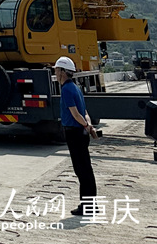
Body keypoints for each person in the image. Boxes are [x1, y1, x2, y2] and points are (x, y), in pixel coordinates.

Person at [54, 56, 98, 216]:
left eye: (56, 70)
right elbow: (84, 112)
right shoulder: (76, 87)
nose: (55, 73)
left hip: (74, 132)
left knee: (81, 169)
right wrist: (88, 125)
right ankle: (91, 203)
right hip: (81, 132)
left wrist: (86, 124)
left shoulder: (66, 89)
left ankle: (88, 206)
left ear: (62, 72)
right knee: (86, 168)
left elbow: (75, 114)